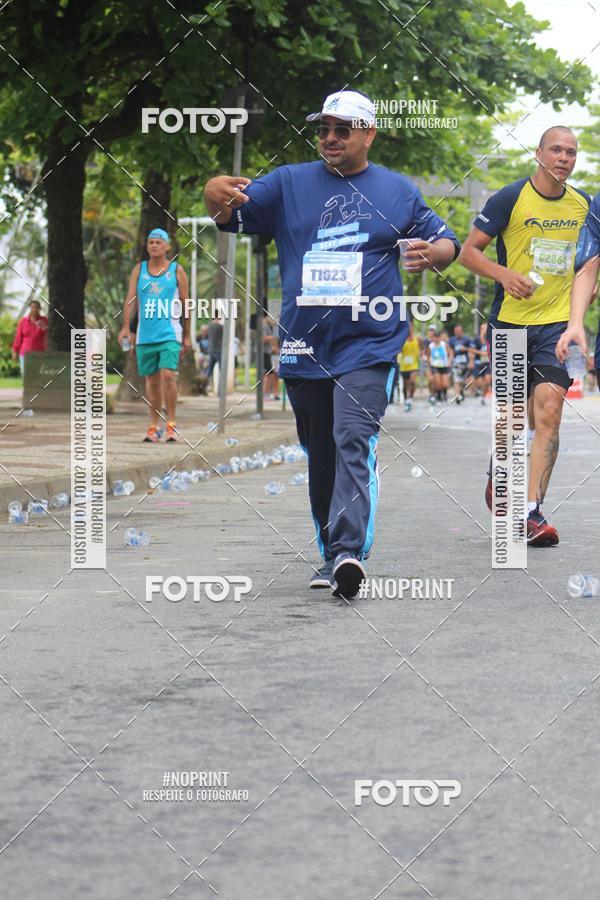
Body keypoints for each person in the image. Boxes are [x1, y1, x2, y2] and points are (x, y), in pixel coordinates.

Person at [204, 89, 459, 598]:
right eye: (323, 128)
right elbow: (227, 216)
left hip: (370, 341)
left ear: (368, 133)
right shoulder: (288, 183)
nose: (329, 137)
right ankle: (329, 552)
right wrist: (213, 191)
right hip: (304, 343)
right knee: (320, 453)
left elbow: (447, 240)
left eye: (342, 129)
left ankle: (348, 550)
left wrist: (435, 254)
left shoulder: (396, 191)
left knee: (351, 437)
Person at [459, 125, 590, 546]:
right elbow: (468, 252)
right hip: (511, 322)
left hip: (556, 325)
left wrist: (576, 318)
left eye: (571, 152)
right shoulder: (510, 198)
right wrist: (504, 275)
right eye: (556, 150)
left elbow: (589, 266)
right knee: (515, 421)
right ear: (538, 154)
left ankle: (531, 512)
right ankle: (502, 466)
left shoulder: (585, 206)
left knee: (549, 411)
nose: (564, 158)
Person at [118, 228, 191, 442]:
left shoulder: (177, 271)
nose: (154, 245)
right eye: (150, 242)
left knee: (168, 375)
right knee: (152, 380)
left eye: (159, 242)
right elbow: (131, 299)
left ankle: (172, 424)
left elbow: (187, 304)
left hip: (170, 333)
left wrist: (187, 335)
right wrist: (126, 328)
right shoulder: (139, 270)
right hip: (145, 335)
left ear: (168, 246)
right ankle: (153, 425)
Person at [556, 193, 600, 388]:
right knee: (511, 410)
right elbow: (588, 265)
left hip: (552, 323)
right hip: (512, 322)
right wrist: (575, 324)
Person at [12, 300, 48, 373]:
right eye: (32, 307)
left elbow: (48, 336)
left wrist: (43, 326)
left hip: (39, 354)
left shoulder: (44, 320)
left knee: (38, 375)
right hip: (25, 353)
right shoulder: (23, 321)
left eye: (36, 308)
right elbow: (18, 337)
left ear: (39, 309)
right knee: (26, 375)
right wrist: (15, 351)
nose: (34, 309)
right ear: (30, 308)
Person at [398, 321, 420, 411]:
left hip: (414, 365)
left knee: (412, 382)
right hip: (404, 366)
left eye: (410, 326)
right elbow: (398, 350)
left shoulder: (418, 339)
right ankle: (407, 400)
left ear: (412, 327)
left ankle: (410, 399)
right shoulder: (402, 339)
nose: (409, 328)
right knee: (405, 386)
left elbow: (424, 348)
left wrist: (422, 353)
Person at [448, 323, 471, 404]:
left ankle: (461, 392)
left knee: (463, 381)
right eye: (456, 331)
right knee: (456, 380)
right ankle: (457, 397)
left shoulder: (467, 339)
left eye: (459, 331)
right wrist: (450, 361)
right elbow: (450, 352)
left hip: (465, 363)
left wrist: (466, 349)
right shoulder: (452, 340)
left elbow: (471, 351)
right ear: (454, 331)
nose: (458, 332)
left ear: (462, 331)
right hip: (456, 363)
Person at [469, 321, 491, 404]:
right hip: (478, 363)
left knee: (487, 380)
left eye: (485, 328)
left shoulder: (491, 338)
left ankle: (483, 396)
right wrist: (481, 353)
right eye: (482, 328)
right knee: (478, 381)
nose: (484, 329)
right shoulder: (476, 339)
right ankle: (479, 392)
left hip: (488, 363)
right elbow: (471, 349)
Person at [428, 328, 451, 402]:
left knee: (445, 384)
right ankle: (438, 395)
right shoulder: (430, 346)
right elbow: (428, 357)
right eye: (435, 337)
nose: (437, 339)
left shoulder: (444, 345)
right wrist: (429, 369)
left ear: (440, 338)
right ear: (433, 338)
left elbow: (450, 354)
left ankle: (444, 393)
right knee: (438, 382)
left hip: (444, 366)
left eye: (438, 337)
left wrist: (449, 361)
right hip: (435, 366)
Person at [207, 315, 223, 388]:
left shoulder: (209, 326)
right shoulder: (220, 327)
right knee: (221, 370)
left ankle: (204, 386)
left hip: (211, 349)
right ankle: (220, 390)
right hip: (218, 350)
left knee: (210, 369)